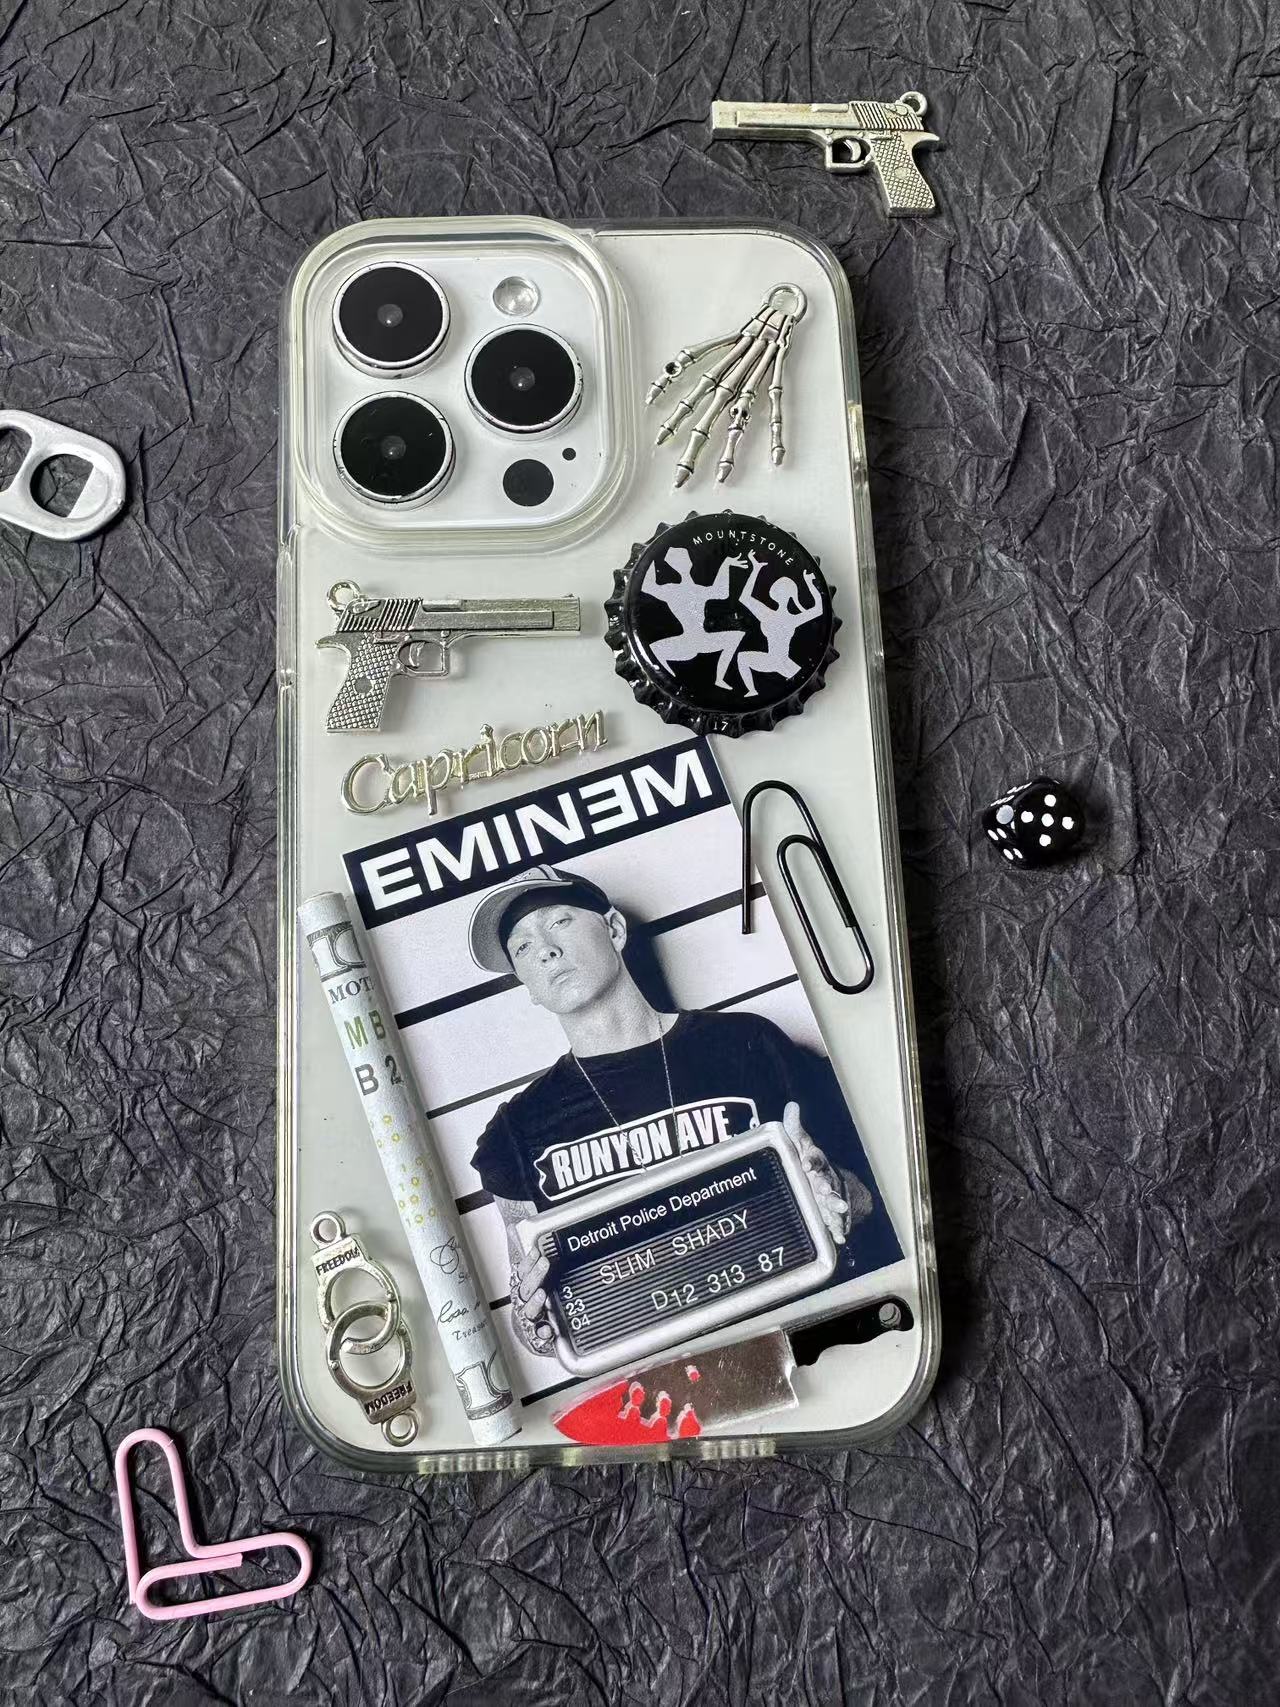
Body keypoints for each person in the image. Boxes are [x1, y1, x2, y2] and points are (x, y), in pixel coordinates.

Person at [467, 864, 889, 1358]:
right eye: (522, 948)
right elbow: (533, 1313)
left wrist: (837, 1191)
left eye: (559, 921)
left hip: (807, 1336)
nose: (545, 949)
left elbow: (872, 1196)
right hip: (671, 1380)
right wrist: (533, 1322)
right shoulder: (515, 1132)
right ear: (527, 985)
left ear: (614, 929)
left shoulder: (747, 1043)